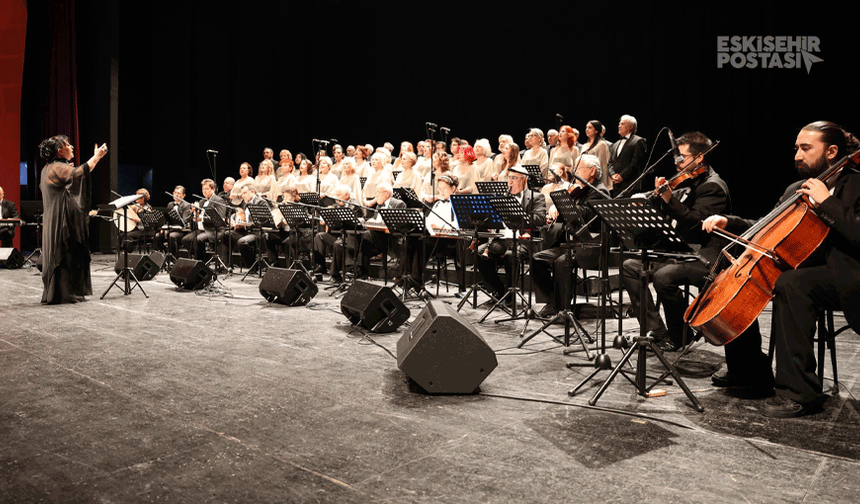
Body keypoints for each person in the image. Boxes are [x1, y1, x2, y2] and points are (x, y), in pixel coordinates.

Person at [701, 121, 860, 418]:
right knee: (733, 277)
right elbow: (766, 227)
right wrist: (729, 222)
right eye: (796, 148)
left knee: (793, 284)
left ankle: (799, 393)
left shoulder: (856, 184)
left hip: (849, 273)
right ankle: (748, 372)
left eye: (806, 148)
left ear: (832, 151)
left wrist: (827, 202)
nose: (797, 154)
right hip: (802, 267)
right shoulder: (794, 189)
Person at [619, 131, 731, 352]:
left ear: (699, 158)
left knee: (663, 277)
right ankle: (657, 331)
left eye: (682, 157)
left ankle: (680, 334)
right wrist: (647, 203)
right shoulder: (685, 181)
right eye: (676, 157)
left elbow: (696, 224)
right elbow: (670, 215)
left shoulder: (713, 186)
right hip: (678, 251)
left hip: (705, 254)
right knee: (630, 267)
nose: (676, 161)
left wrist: (669, 200)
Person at [38, 135, 108, 304]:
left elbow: (74, 177)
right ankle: (64, 294)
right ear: (59, 151)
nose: (72, 147)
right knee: (67, 251)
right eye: (68, 145)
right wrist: (97, 157)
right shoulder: (56, 167)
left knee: (69, 252)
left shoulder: (50, 168)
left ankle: (64, 292)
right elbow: (80, 171)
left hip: (54, 217)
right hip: (60, 219)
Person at [533, 156, 607, 317]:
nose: (575, 172)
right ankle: (552, 301)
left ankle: (563, 309)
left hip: (590, 245)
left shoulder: (599, 191)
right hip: (572, 243)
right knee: (537, 259)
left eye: (580, 169)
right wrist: (556, 208)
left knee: (562, 262)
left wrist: (565, 203)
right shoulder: (580, 189)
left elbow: (587, 215)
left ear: (593, 171)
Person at [476, 164, 546, 303]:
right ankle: (499, 290)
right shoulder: (502, 197)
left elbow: (540, 219)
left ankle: (510, 296)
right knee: (478, 253)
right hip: (502, 239)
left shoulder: (536, 197)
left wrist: (519, 216)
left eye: (514, 178)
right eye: (509, 178)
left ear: (524, 180)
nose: (510, 182)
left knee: (511, 255)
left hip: (523, 240)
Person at [608, 114, 648, 196]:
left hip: (631, 186)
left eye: (622, 124)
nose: (619, 126)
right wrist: (612, 175)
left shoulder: (638, 141)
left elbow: (636, 163)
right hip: (616, 186)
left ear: (631, 127)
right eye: (619, 124)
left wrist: (622, 176)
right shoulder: (615, 144)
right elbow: (609, 163)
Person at [581, 120, 612, 190]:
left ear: (596, 131)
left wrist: (604, 185)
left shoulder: (601, 145)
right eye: (586, 128)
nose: (587, 130)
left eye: (590, 128)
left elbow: (603, 165)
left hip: (595, 181)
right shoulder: (584, 146)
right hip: (584, 179)